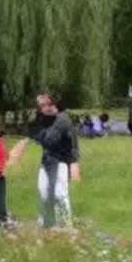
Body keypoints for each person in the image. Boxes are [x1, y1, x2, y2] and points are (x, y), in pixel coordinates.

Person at [9, 92, 80, 229]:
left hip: (61, 162)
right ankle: (47, 225)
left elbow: (72, 143)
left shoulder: (63, 120)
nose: (46, 108)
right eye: (42, 105)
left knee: (60, 194)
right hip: (47, 161)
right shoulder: (41, 120)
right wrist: (21, 145)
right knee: (44, 194)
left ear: (55, 104)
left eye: (49, 104)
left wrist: (74, 164)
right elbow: (33, 134)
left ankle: (65, 227)